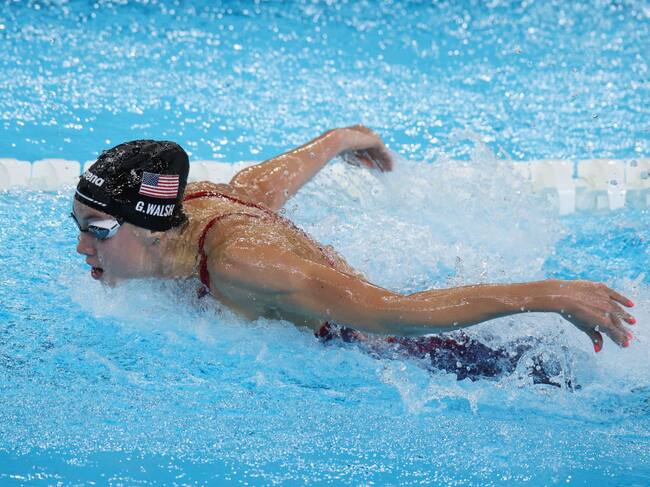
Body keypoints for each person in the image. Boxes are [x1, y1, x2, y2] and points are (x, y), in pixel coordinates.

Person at [71, 125, 636, 384]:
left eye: (98, 230)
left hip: (422, 354)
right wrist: (341, 139)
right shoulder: (193, 205)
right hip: (363, 317)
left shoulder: (241, 264)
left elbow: (396, 313)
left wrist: (551, 294)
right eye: (78, 226)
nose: (81, 247)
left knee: (565, 380)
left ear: (151, 230)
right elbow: (257, 187)